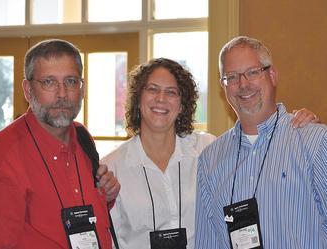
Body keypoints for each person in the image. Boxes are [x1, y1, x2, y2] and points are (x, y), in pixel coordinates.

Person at [100, 57, 318, 249]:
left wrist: (293, 122)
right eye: (152, 89)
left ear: (183, 104)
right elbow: (107, 239)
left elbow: (256, 152)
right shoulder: (112, 168)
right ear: (138, 98)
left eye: (171, 92)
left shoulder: (209, 150)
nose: (160, 99)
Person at [0, 39, 120, 249]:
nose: (62, 94)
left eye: (70, 81)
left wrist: (104, 197)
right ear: (27, 89)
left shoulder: (82, 137)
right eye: (49, 82)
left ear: (82, 88)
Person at [195, 36, 327, 249]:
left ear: (272, 75)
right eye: (232, 76)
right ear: (223, 86)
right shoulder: (209, 160)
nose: (243, 84)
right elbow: (207, 243)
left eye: (253, 72)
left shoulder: (315, 142)